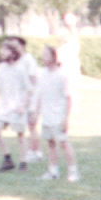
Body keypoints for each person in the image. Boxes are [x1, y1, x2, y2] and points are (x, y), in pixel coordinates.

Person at [33, 42, 77, 181]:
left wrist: (65, 119)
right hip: (47, 116)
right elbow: (39, 95)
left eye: (46, 55)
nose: (43, 57)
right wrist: (36, 112)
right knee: (50, 143)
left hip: (59, 116)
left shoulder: (62, 75)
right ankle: (53, 171)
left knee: (64, 143)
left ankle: (73, 172)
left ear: (53, 57)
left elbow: (68, 98)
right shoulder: (42, 74)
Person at [0, 36, 33, 171]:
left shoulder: (20, 69)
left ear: (13, 53)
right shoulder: (2, 68)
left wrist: (23, 105)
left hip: (17, 107)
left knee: (20, 135)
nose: (2, 54)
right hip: (4, 107)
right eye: (1, 51)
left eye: (5, 51)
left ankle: (23, 162)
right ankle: (7, 158)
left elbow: (28, 89)